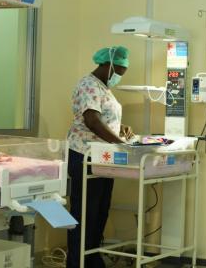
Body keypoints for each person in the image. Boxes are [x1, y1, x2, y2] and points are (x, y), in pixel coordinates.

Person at [66, 46, 134, 268]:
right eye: (119, 71)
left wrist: (119, 128)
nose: (119, 76)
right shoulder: (88, 85)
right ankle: (78, 263)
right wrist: (119, 143)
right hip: (85, 156)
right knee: (85, 214)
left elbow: (103, 117)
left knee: (99, 213)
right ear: (108, 65)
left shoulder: (103, 88)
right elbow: (92, 121)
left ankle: (92, 259)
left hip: (101, 158)